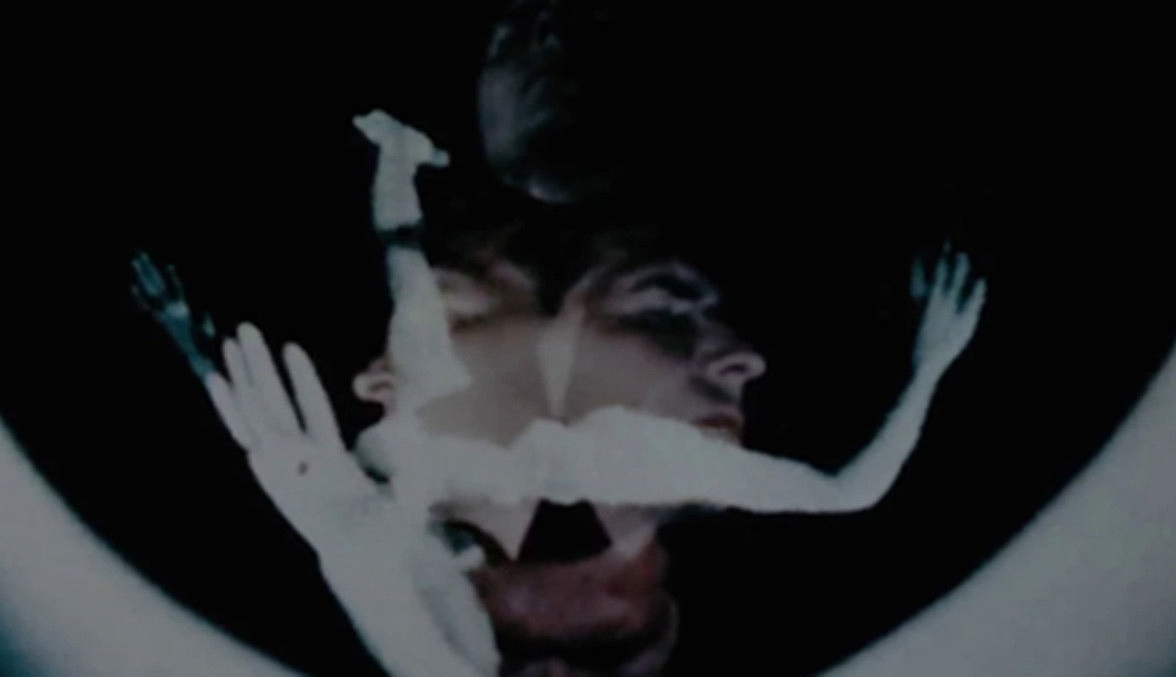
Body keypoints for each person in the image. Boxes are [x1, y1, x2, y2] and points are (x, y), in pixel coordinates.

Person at [132, 112, 985, 677]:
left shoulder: (419, 459)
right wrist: (930, 364)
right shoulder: (664, 463)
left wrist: (199, 358)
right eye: (606, 647)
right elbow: (851, 491)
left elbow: (368, 537)